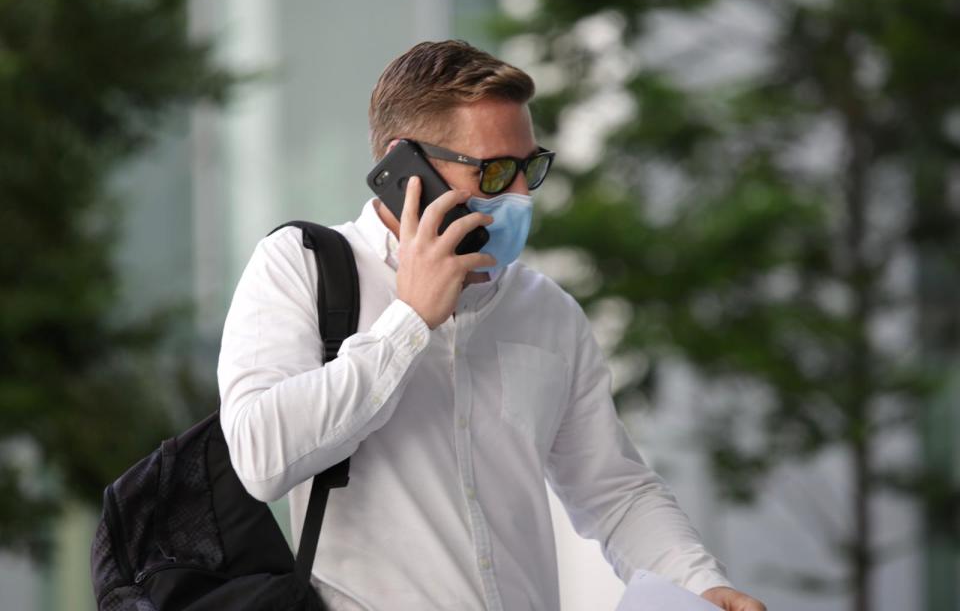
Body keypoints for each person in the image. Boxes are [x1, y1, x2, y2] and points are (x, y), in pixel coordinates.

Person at [217, 40, 766, 611]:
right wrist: (409, 322)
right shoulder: (300, 264)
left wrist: (701, 584)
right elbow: (260, 459)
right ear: (407, 168)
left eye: (531, 167)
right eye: (497, 172)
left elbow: (614, 490)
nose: (524, 195)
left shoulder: (546, 309)